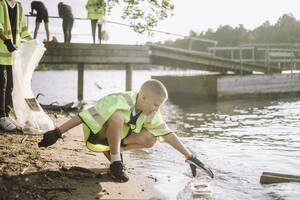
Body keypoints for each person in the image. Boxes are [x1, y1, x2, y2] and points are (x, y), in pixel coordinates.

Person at [38, 79, 214, 182]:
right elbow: (86, 115)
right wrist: (58, 132)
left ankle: (114, 153)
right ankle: (116, 163)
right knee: (117, 117)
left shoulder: (151, 112)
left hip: (115, 141)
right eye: (155, 105)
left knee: (152, 139)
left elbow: (167, 134)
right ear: (143, 97)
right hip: (97, 137)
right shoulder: (120, 99)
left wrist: (190, 157)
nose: (156, 109)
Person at [0, 0, 32, 131]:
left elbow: (24, 30)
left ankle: (6, 115)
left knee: (11, 85)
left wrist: (34, 42)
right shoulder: (1, 4)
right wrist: (6, 41)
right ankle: (1, 117)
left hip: (13, 55)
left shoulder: (19, 7)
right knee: (2, 83)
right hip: (1, 51)